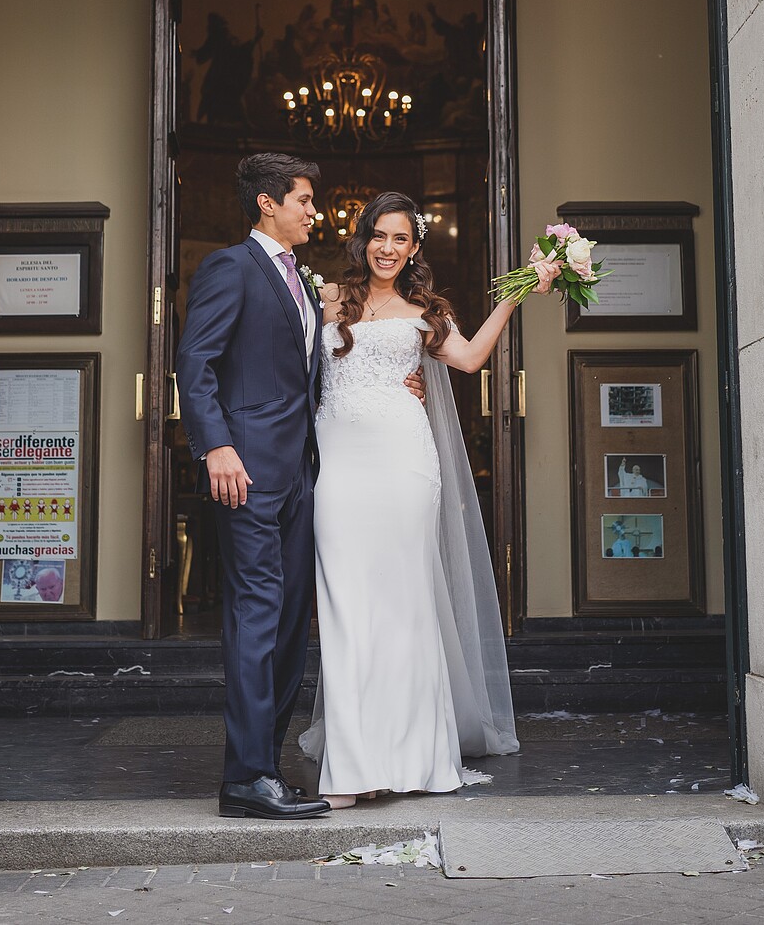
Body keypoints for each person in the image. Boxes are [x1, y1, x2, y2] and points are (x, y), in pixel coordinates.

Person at [174, 154, 423, 820]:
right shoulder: (231, 267)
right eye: (304, 200)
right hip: (247, 474)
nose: (314, 211)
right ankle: (246, 778)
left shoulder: (305, 285)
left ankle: (267, 768)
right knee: (256, 618)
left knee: (288, 627)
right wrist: (217, 446)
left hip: (302, 476)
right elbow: (195, 361)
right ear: (267, 204)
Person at [298, 191, 535, 806]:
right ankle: (353, 767)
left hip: (405, 465)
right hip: (342, 472)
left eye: (401, 239)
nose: (387, 248)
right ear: (363, 239)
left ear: (414, 248)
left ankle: (409, 760)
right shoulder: (326, 299)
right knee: (346, 610)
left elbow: (472, 358)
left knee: (405, 611)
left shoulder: (426, 312)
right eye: (379, 235)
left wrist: (523, 287)